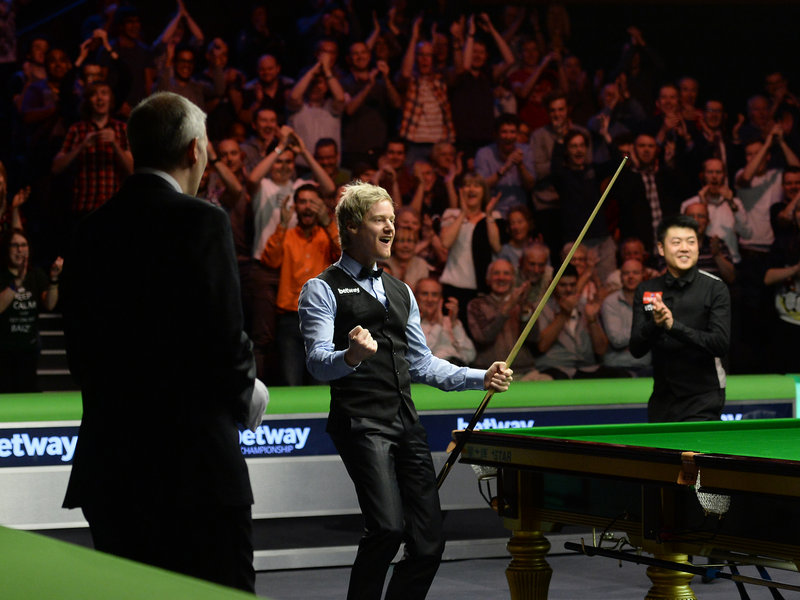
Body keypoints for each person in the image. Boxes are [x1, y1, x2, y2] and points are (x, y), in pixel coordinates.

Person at [61, 92, 265, 592]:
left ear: (133, 148)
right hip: (196, 474)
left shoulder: (89, 231)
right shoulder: (202, 218)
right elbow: (223, 333)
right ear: (196, 150)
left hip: (111, 474)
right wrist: (248, 392)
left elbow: (78, 354)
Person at [297, 181, 513, 600]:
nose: (391, 228)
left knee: (429, 544)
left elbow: (422, 364)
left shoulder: (402, 290)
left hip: (405, 423)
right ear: (354, 226)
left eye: (392, 220)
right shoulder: (322, 288)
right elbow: (317, 362)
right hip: (362, 423)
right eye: (381, 220)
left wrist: (479, 376)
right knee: (387, 529)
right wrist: (350, 356)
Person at [630, 215, 730, 422]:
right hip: (662, 400)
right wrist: (655, 324)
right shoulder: (647, 289)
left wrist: (673, 326)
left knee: (695, 453)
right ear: (661, 248)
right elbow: (636, 349)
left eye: (691, 242)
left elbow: (720, 344)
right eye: (676, 242)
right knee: (661, 455)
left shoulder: (715, 288)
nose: (684, 248)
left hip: (704, 397)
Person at [261, 183, 340, 385]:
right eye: (302, 202)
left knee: (321, 385)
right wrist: (282, 225)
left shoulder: (327, 237)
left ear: (322, 206)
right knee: (290, 383)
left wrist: (328, 223)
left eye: (312, 202)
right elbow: (269, 260)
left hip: (322, 319)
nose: (307, 207)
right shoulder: (286, 236)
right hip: (289, 319)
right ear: (295, 206)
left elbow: (345, 256)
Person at [0, 229, 62, 392]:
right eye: (15, 245)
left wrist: (54, 280)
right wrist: (17, 282)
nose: (20, 250)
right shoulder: (2, 276)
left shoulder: (36, 275)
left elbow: (49, 304)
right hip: (3, 351)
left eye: (23, 245)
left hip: (28, 350)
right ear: (7, 249)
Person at [600, 258, 651, 376]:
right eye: (626, 273)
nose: (631, 276)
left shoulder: (650, 300)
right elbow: (617, 340)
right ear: (621, 277)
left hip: (646, 366)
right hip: (616, 366)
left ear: (643, 275)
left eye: (635, 273)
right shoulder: (610, 302)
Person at [415, 277, 475, 366]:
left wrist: (454, 324)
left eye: (434, 294)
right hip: (433, 373)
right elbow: (421, 355)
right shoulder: (412, 324)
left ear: (441, 299)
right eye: (425, 294)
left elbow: (470, 355)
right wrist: (438, 325)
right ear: (415, 297)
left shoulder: (450, 321)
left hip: (457, 368)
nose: (430, 299)